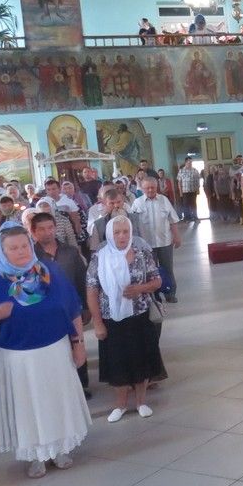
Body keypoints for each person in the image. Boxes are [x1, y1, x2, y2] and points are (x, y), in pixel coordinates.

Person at [0, 223, 90, 478]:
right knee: (27, 407)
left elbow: (73, 310)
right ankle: (35, 455)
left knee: (56, 401)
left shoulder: (49, 273)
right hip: (16, 358)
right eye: (13, 248)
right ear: (3, 252)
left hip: (54, 351)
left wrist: (78, 344)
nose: (21, 251)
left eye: (24, 246)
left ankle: (60, 448)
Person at [87, 217, 164, 422]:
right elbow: (92, 291)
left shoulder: (141, 254)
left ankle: (141, 402)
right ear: (109, 234)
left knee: (141, 359)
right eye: (117, 232)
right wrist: (97, 323)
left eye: (125, 232)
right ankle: (120, 405)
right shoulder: (100, 257)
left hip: (139, 316)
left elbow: (157, 281)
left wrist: (141, 288)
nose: (122, 236)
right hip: (111, 319)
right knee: (117, 361)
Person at [30, 211, 91, 398]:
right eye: (41, 229)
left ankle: (81, 384)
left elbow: (81, 279)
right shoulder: (31, 256)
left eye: (50, 228)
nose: (47, 233)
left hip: (71, 307)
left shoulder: (69, 252)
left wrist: (86, 306)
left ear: (55, 228)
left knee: (76, 342)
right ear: (33, 232)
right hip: (46, 310)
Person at [131, 177, 182, 302]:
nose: (150, 190)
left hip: (165, 242)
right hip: (145, 245)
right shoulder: (137, 203)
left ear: (157, 187)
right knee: (150, 272)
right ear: (142, 189)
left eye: (152, 187)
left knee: (167, 269)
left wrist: (177, 236)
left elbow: (173, 220)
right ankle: (155, 296)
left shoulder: (164, 200)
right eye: (147, 188)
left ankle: (170, 293)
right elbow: (132, 223)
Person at [177, 157, 201, 222]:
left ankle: (195, 217)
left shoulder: (195, 170)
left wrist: (198, 189)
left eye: (191, 162)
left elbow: (197, 180)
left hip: (193, 191)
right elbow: (179, 182)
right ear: (186, 162)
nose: (190, 163)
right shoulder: (181, 171)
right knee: (186, 205)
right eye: (189, 162)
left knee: (194, 204)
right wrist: (180, 192)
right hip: (185, 191)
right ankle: (187, 218)